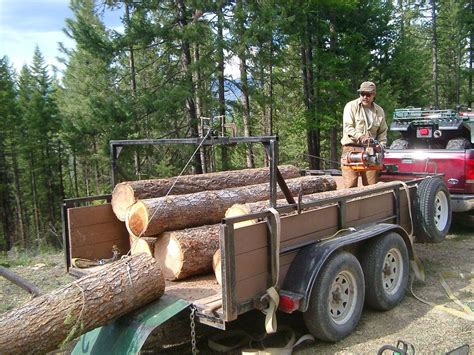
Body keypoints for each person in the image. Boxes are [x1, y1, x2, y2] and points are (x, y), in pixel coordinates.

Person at [340, 81, 388, 188]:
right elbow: (348, 127)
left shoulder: (379, 111)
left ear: (374, 95)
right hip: (351, 150)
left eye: (368, 94)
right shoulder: (351, 106)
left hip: (371, 152)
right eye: (362, 94)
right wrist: (361, 136)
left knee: (371, 186)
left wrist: (380, 146)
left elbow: (382, 132)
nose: (365, 97)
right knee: (350, 186)